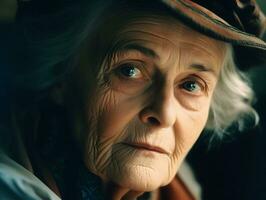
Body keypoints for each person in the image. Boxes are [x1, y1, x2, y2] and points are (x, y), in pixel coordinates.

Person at [1, 0, 266, 199]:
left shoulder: (183, 187)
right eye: (130, 70)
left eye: (191, 85)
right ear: (61, 73)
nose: (164, 113)